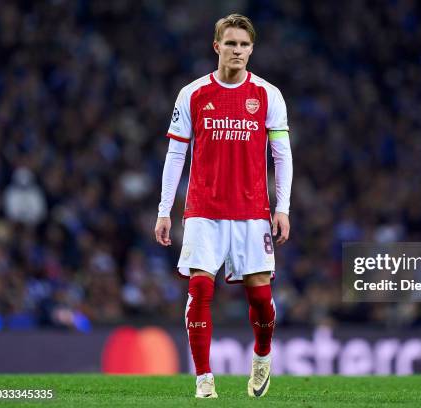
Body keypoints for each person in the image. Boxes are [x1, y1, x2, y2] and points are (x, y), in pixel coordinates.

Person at [154, 14, 292, 399]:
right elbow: (175, 154)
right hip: (204, 210)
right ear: (217, 47)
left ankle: (262, 357)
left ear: (252, 49)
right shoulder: (193, 94)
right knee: (199, 288)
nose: (237, 51)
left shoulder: (268, 95)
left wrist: (283, 208)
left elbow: (282, 156)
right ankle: (203, 380)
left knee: (261, 299)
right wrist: (165, 209)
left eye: (244, 45)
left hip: (252, 213)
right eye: (230, 43)